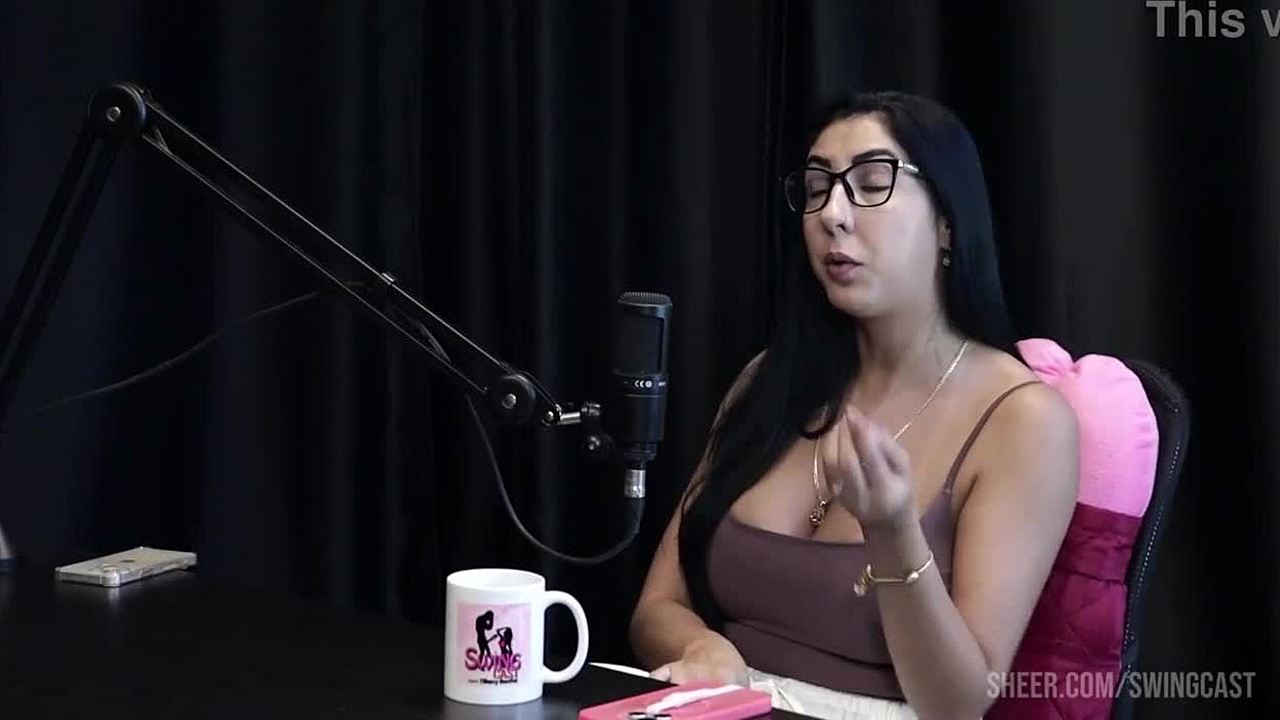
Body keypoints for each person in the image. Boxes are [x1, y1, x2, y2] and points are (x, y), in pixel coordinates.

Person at [629, 91, 1079, 719]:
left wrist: (893, 532)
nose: (832, 215)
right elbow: (656, 607)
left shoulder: (1024, 420)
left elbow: (958, 705)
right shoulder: (768, 380)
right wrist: (702, 647)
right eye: (817, 189)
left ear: (947, 222)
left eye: (870, 184)